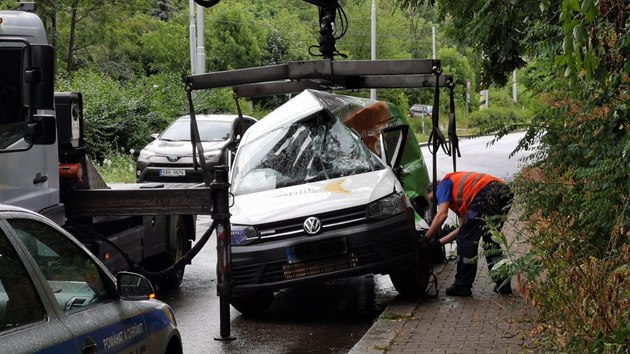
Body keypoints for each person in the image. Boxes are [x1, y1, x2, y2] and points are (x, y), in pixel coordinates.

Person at [421, 171, 513, 296]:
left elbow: (442, 214)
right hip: (504, 192)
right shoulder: (464, 198)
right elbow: (462, 229)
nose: (435, 202)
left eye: (432, 197)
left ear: (433, 189)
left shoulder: (443, 183)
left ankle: (462, 286)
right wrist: (438, 243)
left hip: (486, 193)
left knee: (465, 242)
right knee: (491, 242)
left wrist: (426, 239)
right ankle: (503, 284)